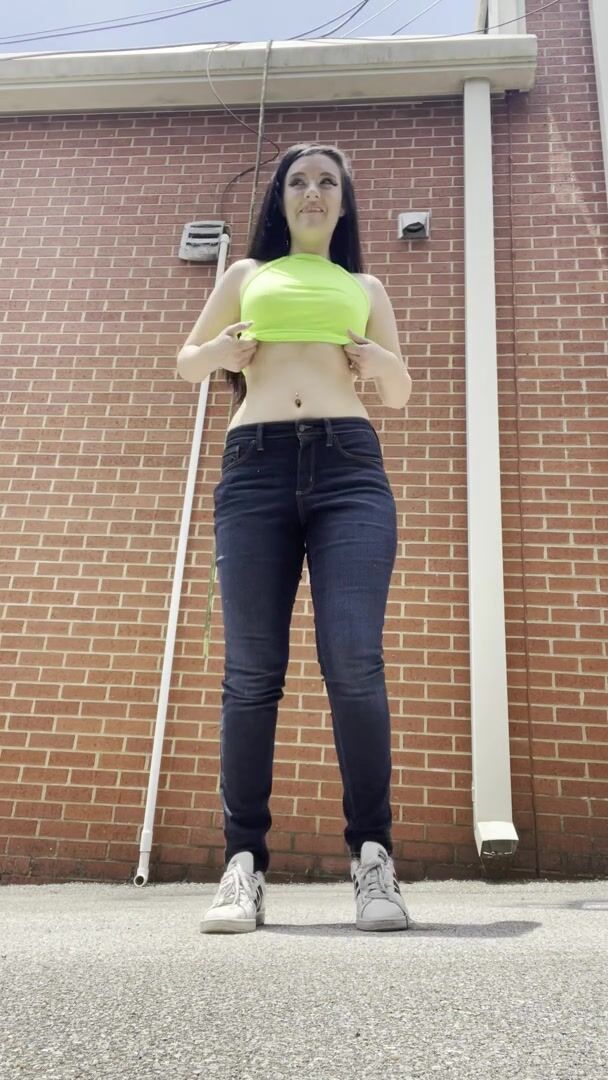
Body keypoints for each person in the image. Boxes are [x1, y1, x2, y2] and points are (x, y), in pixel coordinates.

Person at [176, 143, 413, 934]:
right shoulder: (246, 274)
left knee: (354, 661)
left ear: (344, 203)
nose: (313, 192)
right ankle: (242, 865)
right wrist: (220, 353)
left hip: (350, 470)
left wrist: (377, 359)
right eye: (298, 182)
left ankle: (373, 859)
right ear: (280, 199)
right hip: (256, 467)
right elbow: (187, 362)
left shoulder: (365, 287)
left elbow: (399, 390)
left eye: (327, 183)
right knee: (250, 674)